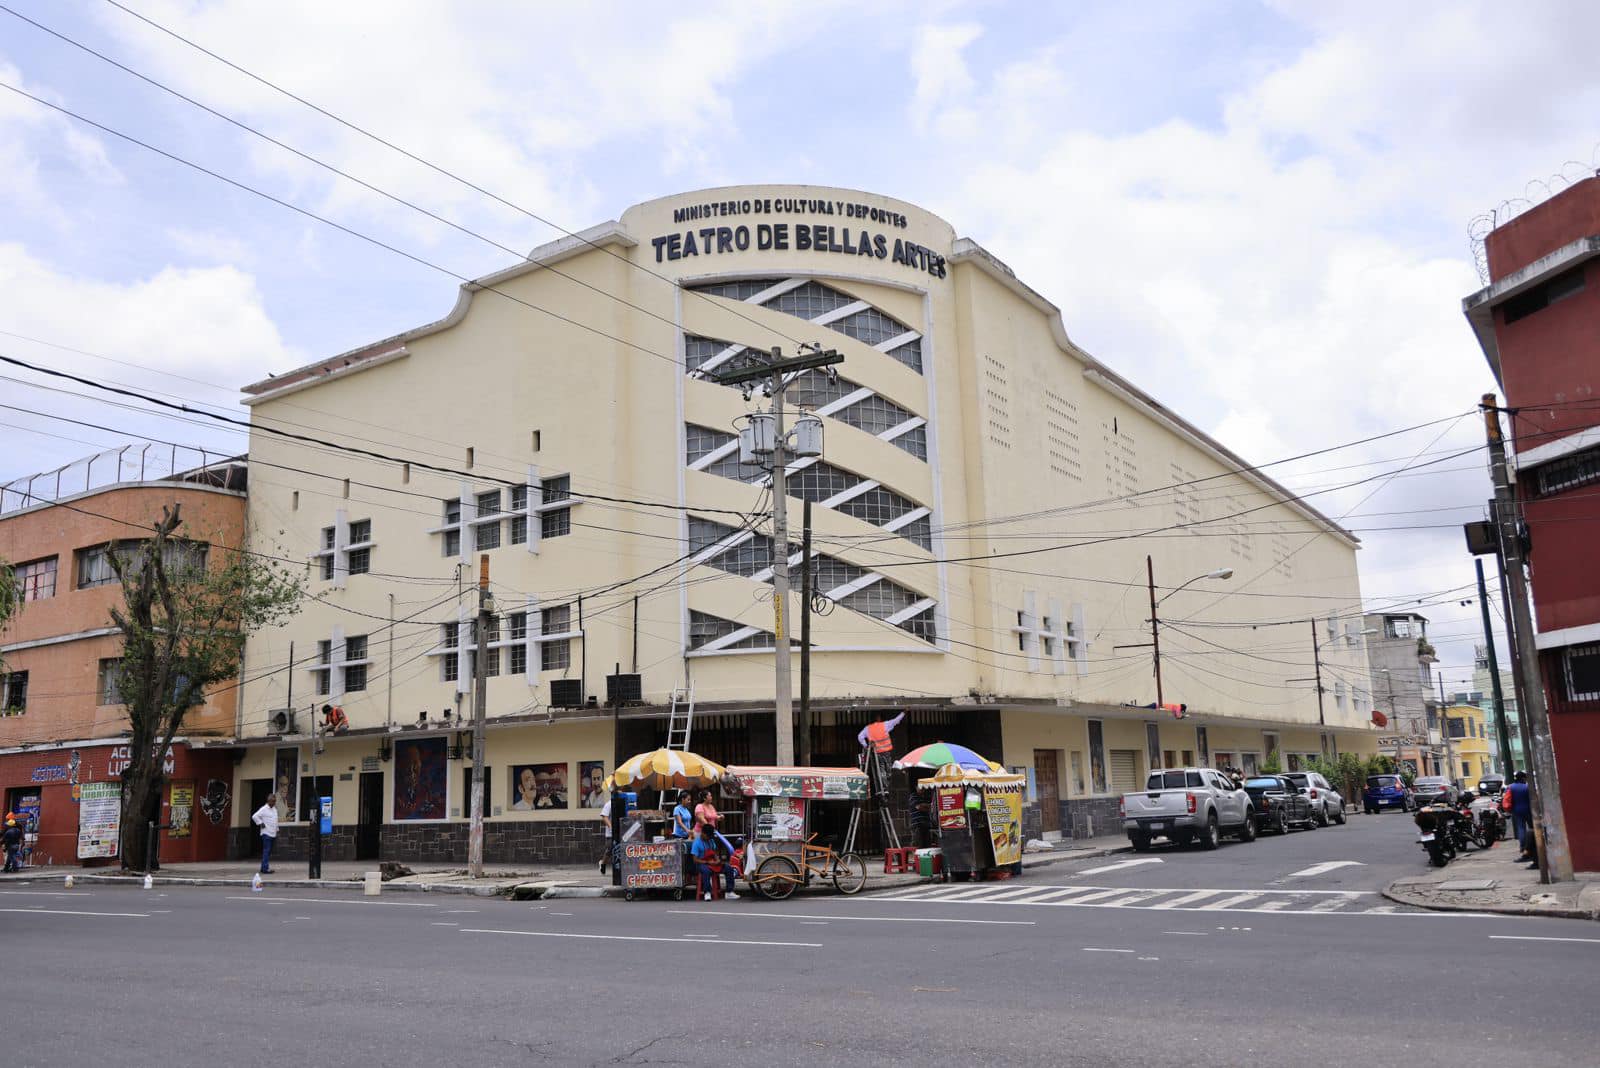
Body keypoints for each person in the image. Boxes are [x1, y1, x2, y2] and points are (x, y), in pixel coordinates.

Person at [690, 823, 738, 900]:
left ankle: (729, 892)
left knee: (728, 868)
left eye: (710, 836)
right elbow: (695, 860)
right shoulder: (696, 843)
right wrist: (708, 862)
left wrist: (717, 859)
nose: (709, 838)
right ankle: (707, 892)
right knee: (706, 871)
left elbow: (714, 852)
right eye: (707, 836)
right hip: (701, 863)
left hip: (712, 862)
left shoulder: (711, 841)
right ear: (703, 833)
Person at [1507, 771, 1533, 860]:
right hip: (1528, 810)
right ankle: (1531, 846)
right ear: (1523, 778)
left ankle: (1522, 847)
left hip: (1517, 810)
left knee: (1521, 828)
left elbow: (1508, 799)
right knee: (1532, 828)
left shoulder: (1510, 787)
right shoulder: (1527, 787)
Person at [252, 793, 279, 874]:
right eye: (272, 801)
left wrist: (277, 830)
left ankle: (264, 867)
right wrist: (260, 823)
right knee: (266, 851)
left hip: (273, 833)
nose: (273, 803)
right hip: (266, 833)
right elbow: (254, 816)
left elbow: (275, 820)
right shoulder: (264, 809)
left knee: (268, 851)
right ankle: (265, 868)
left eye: (274, 801)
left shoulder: (274, 809)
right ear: (268, 801)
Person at [598, 794, 614, 875]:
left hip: (623, 830)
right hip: (611, 833)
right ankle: (603, 863)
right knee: (609, 850)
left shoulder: (624, 802)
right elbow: (604, 816)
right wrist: (611, 826)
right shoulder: (609, 804)